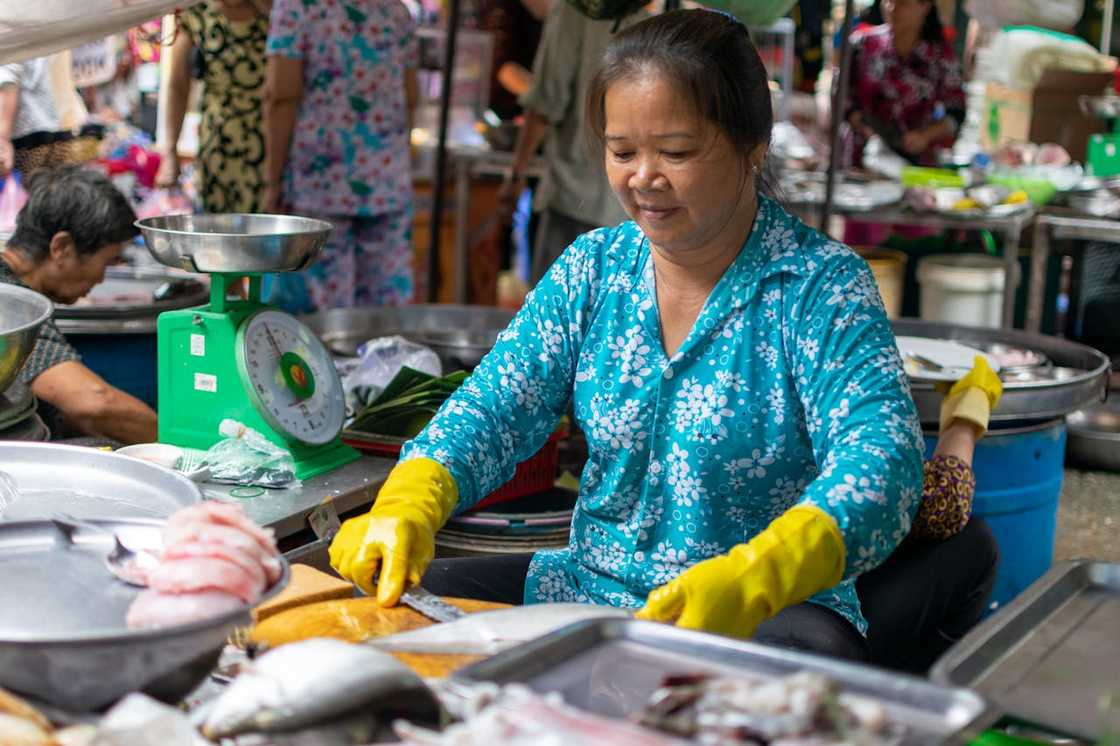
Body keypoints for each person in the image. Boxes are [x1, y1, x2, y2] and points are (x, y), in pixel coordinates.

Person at [331, 9, 928, 663]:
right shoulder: (594, 270)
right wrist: (415, 492)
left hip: (770, 616)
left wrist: (760, 575)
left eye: (675, 152)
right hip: (588, 592)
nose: (644, 176)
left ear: (751, 148)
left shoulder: (819, 287)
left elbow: (882, 464)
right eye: (622, 152)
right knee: (375, 629)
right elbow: (496, 406)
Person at [261, 0, 419, 312]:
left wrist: (272, 181)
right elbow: (411, 96)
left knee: (327, 317)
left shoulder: (297, 7)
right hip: (387, 183)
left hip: (320, 183)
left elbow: (280, 96)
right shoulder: (395, 11)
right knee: (385, 314)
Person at [857, 357, 1002, 672]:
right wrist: (966, 417)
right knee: (972, 545)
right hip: (792, 610)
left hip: (731, 587)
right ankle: (910, 695)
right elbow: (941, 503)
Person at [1, 166, 158, 445]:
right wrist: (183, 448)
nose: (100, 278)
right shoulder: (9, 300)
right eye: (106, 261)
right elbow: (92, 403)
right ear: (61, 247)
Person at [497, 0, 648, 285]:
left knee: (554, 317)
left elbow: (545, 101)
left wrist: (516, 174)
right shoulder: (642, 14)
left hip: (573, 193)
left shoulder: (573, 12)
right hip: (629, 204)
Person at [156, 0, 272, 213]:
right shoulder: (196, 10)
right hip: (218, 144)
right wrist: (170, 153)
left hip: (272, 142)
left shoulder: (279, 11)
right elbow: (177, 84)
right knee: (218, 231)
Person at [844, 0, 965, 166]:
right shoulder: (862, 45)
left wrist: (925, 136)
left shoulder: (941, 56)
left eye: (902, 3)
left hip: (915, 166)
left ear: (925, 6)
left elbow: (956, 113)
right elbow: (842, 97)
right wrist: (861, 124)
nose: (892, 8)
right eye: (888, 1)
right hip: (860, 161)